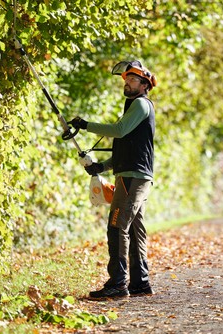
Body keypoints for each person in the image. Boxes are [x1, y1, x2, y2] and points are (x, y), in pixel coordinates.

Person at [68, 60, 157, 299]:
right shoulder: (134, 108)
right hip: (133, 176)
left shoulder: (140, 104)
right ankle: (140, 283)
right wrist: (102, 166)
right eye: (126, 79)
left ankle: (118, 283)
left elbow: (118, 131)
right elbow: (126, 150)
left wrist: (85, 125)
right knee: (136, 230)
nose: (128, 82)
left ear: (144, 84)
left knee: (117, 227)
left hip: (132, 179)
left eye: (133, 79)